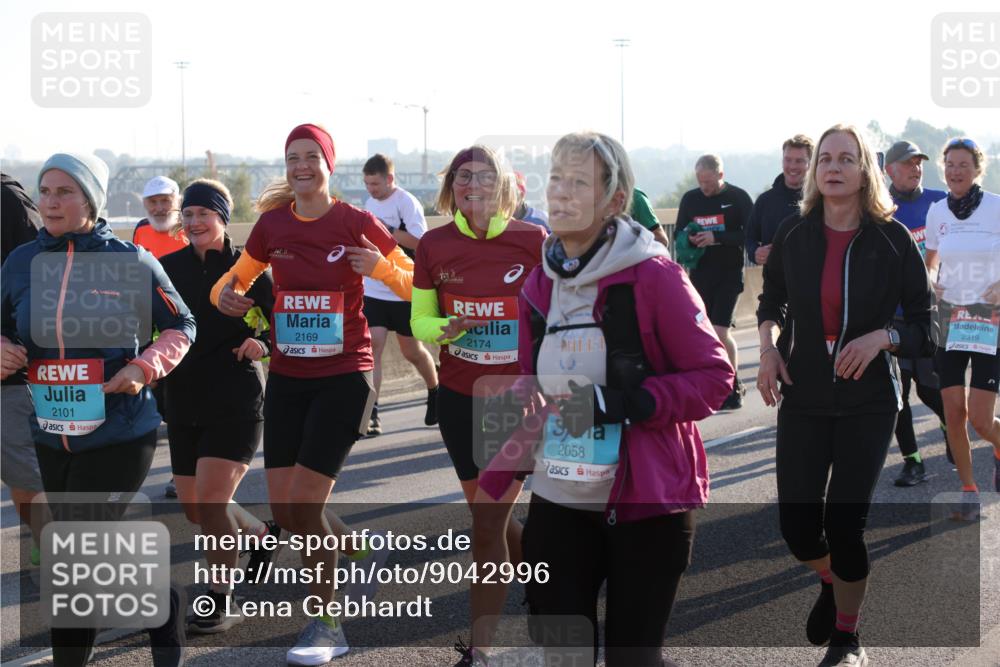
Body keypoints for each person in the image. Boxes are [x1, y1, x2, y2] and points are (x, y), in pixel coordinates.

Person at [479, 131, 733, 666]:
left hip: (646, 505)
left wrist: (620, 403)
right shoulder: (538, 284)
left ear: (615, 200)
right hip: (560, 501)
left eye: (579, 182)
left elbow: (714, 378)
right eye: (556, 180)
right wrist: (495, 480)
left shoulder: (655, 276)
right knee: (561, 655)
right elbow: (534, 385)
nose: (562, 193)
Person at [211, 123, 412, 664]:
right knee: (288, 511)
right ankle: (365, 552)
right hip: (289, 379)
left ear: (329, 163)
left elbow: (417, 281)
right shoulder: (273, 226)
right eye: (291, 157)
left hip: (345, 374)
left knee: (304, 504)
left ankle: (327, 626)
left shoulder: (354, 220)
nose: (300, 166)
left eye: (310, 156)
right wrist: (228, 295)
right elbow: (233, 280)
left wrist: (380, 268)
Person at [1, 153, 196, 666]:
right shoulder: (20, 262)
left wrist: (143, 368)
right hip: (51, 435)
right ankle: (164, 602)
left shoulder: (131, 261)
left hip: (120, 432)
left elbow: (182, 325)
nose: (49, 201)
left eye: (64, 191)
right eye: (44, 190)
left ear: (90, 199)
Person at [757, 124, 932, 666]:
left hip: (868, 401)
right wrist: (767, 348)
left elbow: (926, 327)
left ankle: (847, 637)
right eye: (825, 159)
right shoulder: (794, 232)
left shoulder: (891, 237)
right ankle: (835, 584)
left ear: (864, 172)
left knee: (845, 526)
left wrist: (884, 337)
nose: (833, 167)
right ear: (814, 173)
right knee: (798, 528)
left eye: (846, 159)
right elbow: (773, 300)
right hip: (804, 393)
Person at [409, 145, 546, 665]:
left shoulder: (533, 240)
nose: (473, 184)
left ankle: (480, 650)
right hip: (459, 397)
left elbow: (564, 311)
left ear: (505, 184)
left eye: (485, 176)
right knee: (489, 515)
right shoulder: (434, 243)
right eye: (464, 176)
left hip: (515, 401)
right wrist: (446, 327)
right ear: (452, 187)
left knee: (485, 525)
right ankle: (540, 571)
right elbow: (420, 321)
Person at [158, 178, 277, 634]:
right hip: (183, 397)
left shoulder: (249, 269)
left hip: (235, 398)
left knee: (210, 504)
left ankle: (219, 599)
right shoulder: (167, 269)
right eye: (187, 214)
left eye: (202, 214)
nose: (193, 222)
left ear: (222, 218)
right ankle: (259, 533)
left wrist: (260, 343)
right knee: (195, 509)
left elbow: (280, 324)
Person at [924, 137, 1000, 510]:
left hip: (988, 318)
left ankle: (998, 448)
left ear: (977, 169)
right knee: (954, 412)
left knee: (983, 421)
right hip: (950, 317)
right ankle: (969, 491)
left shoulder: (997, 207)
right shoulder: (937, 212)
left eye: (963, 165)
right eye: (950, 164)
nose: (956, 171)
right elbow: (931, 259)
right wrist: (932, 280)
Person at [884, 140, 951, 485]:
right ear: (890, 170)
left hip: (930, 313)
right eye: (908, 163)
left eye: (919, 163)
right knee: (897, 394)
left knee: (930, 388)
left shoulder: (940, 202)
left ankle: (950, 427)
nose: (916, 168)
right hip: (891, 316)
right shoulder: (881, 210)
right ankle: (913, 461)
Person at [361, 153, 439, 435]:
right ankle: (372, 412)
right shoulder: (369, 204)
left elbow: (421, 243)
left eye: (376, 184)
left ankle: (434, 389)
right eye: (368, 184)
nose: (371, 190)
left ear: (390, 179)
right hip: (374, 288)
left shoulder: (407, 203)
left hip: (404, 286)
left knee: (412, 352)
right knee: (374, 346)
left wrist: (389, 231)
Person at [673, 154, 752, 408]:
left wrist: (717, 238)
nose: (704, 187)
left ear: (721, 175)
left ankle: (733, 385)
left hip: (729, 275)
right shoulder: (691, 199)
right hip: (700, 275)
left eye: (708, 181)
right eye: (700, 181)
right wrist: (691, 239)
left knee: (720, 331)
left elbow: (750, 234)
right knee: (704, 334)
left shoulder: (737, 198)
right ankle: (710, 384)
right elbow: (678, 232)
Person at [132, 174, 189, 499]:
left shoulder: (188, 228)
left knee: (182, 403)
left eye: (164, 200)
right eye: (153, 202)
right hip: (151, 329)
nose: (159, 207)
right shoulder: (141, 230)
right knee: (158, 405)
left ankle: (180, 475)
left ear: (176, 201)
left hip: (184, 327)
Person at [1, 173, 48, 565]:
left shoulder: (8, 201)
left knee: (28, 482)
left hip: (10, 374)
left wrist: (12, 344)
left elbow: (42, 286)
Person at [746, 134, 813, 265]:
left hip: (813, 282)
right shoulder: (765, 201)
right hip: (774, 282)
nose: (792, 166)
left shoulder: (822, 200)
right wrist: (755, 252)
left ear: (810, 164)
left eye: (799, 161)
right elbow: (750, 238)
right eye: (788, 160)